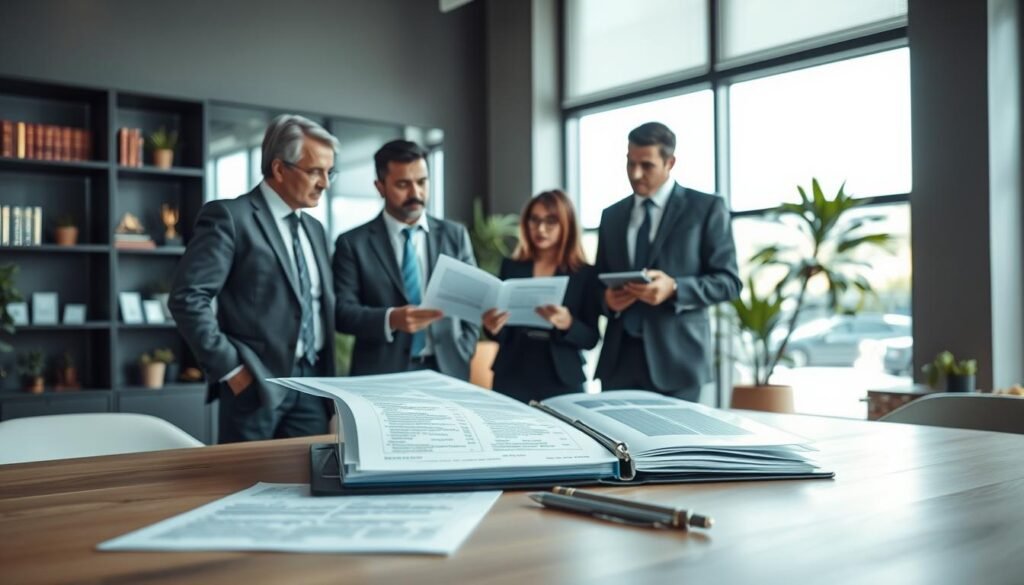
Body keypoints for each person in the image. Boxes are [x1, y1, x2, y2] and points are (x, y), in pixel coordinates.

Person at [169, 114, 338, 443]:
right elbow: (188, 298)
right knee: (244, 486)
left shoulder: (315, 229)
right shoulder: (230, 217)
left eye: (330, 172)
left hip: (314, 386)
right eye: (316, 171)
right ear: (279, 169)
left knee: (310, 484)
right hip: (255, 386)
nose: (325, 183)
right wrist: (232, 371)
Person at [594, 122, 741, 402]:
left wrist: (674, 288)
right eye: (630, 163)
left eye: (646, 165)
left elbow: (729, 283)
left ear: (670, 162)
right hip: (618, 362)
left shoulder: (706, 208)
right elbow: (596, 282)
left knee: (678, 447)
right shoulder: (611, 216)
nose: (635, 174)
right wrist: (606, 301)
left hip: (677, 362)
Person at [333, 140, 479, 378]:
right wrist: (391, 319)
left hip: (447, 369)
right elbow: (342, 312)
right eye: (403, 184)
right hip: (380, 373)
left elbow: (471, 301)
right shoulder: (352, 243)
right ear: (379, 187)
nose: (415, 193)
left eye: (422, 182)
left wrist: (464, 349)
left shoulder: (455, 235)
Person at [482, 190, 600, 403]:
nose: (540, 229)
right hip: (512, 371)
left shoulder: (584, 274)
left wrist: (568, 323)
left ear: (567, 225)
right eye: (534, 220)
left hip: (562, 376)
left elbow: (591, 338)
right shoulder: (512, 267)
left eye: (551, 221)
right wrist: (491, 327)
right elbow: (501, 333)